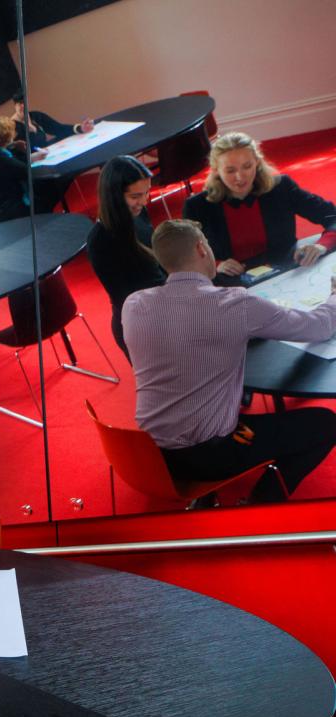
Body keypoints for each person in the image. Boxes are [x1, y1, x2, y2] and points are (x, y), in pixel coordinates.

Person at [122, 219, 336, 506]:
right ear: (201, 248)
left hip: (151, 453)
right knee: (325, 424)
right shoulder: (233, 304)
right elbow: (318, 327)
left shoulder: (133, 304)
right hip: (211, 454)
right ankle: (262, 500)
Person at [182, 132, 336, 284]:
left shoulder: (281, 187)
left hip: (285, 273)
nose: (240, 177)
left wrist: (321, 246)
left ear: (257, 162)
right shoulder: (197, 206)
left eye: (247, 166)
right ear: (216, 170)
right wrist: (216, 264)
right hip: (232, 285)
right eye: (230, 170)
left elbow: (332, 217)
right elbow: (185, 256)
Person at [85, 156, 167, 359]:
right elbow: (128, 298)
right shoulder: (100, 240)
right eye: (135, 196)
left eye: (146, 192)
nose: (144, 201)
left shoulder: (138, 213)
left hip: (163, 307)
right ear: (113, 195)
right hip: (140, 324)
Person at [0, 118, 46, 227]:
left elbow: (11, 164)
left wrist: (13, 145)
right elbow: (25, 171)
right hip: (1, 213)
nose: (14, 135)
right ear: (5, 138)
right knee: (45, 197)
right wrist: (29, 155)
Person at [10, 91, 93, 151]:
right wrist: (31, 129)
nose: (22, 106)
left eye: (24, 103)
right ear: (15, 106)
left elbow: (58, 129)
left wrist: (80, 128)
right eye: (19, 104)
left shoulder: (36, 116)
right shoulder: (11, 126)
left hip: (47, 154)